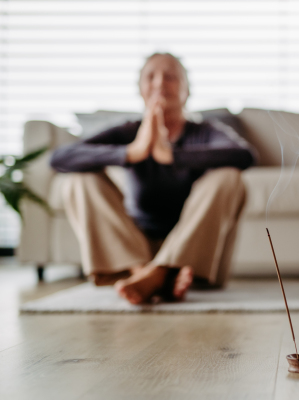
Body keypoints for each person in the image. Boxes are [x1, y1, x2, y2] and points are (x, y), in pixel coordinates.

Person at [51, 53, 256, 304]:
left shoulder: (205, 131)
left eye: (170, 76)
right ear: (140, 89)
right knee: (78, 180)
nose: (160, 83)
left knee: (229, 177)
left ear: (186, 90)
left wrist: (170, 155)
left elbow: (245, 155)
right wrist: (132, 152)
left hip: (195, 256)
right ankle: (147, 273)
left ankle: (161, 272)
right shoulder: (129, 131)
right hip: (137, 248)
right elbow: (60, 158)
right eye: (151, 77)